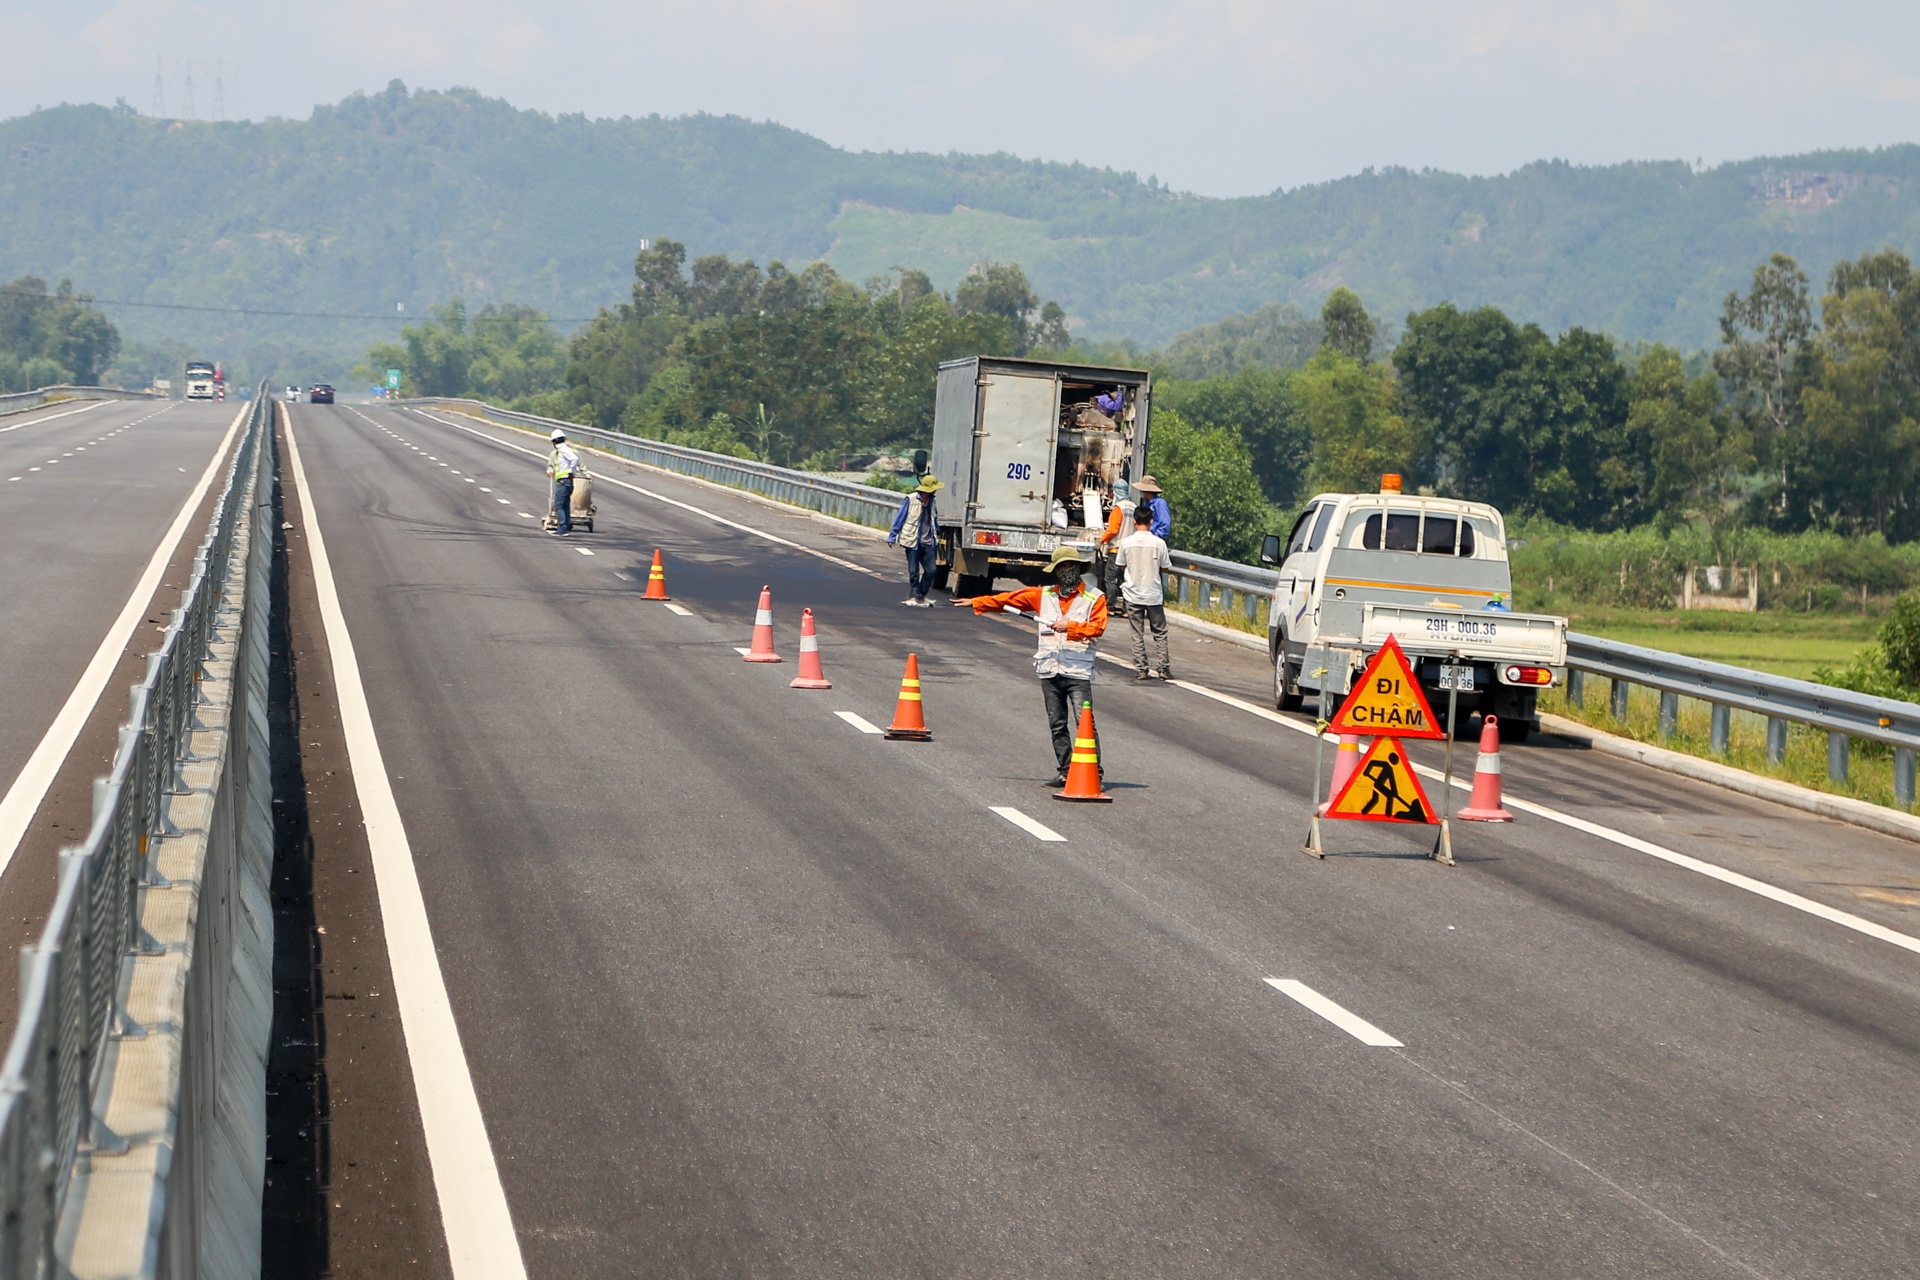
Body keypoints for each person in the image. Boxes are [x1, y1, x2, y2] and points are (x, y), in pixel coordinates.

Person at [954, 547, 1109, 787]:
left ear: (1078, 569)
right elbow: (1008, 600)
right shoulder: (1043, 594)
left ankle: (1093, 773)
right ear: (1056, 571)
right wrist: (978, 603)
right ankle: (1066, 771)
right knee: (1057, 724)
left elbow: (1097, 628)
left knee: (1085, 724)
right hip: (1049, 669)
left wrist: (1070, 627)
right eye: (1062, 568)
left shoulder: (1094, 597)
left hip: (1077, 672)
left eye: (1070, 567)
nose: (1066, 571)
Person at [1114, 505, 1175, 680]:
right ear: (1151, 521)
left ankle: (1141, 668)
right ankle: (1163, 668)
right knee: (1160, 631)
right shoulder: (1159, 543)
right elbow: (1165, 568)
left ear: (1134, 522)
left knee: (1137, 632)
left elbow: (1121, 565)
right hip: (1153, 594)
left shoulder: (1126, 543)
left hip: (1133, 593)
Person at [887, 475, 943, 606]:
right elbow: (901, 517)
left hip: (928, 541)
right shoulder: (911, 499)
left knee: (932, 570)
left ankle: (921, 595)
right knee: (914, 571)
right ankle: (914, 595)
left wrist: (938, 531)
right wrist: (893, 535)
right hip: (912, 540)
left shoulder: (932, 501)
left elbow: (934, 519)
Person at [1095, 481, 1136, 617]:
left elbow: (1113, 529)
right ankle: (1126, 609)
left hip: (1117, 550)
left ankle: (1110, 607)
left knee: (1111, 579)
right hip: (1131, 550)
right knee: (1127, 580)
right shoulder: (1134, 507)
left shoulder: (1119, 508)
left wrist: (1101, 540)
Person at [546, 429, 583, 536]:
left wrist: (572, 471)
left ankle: (563, 527)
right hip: (566, 481)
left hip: (564, 481)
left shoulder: (562, 449)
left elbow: (574, 459)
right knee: (565, 504)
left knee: (559, 504)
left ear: (554, 441)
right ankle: (566, 525)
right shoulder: (564, 450)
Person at [1134, 475, 1171, 540]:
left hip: (1154, 538)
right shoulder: (1147, 504)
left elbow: (1165, 524)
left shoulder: (1160, 503)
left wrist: (1155, 537)